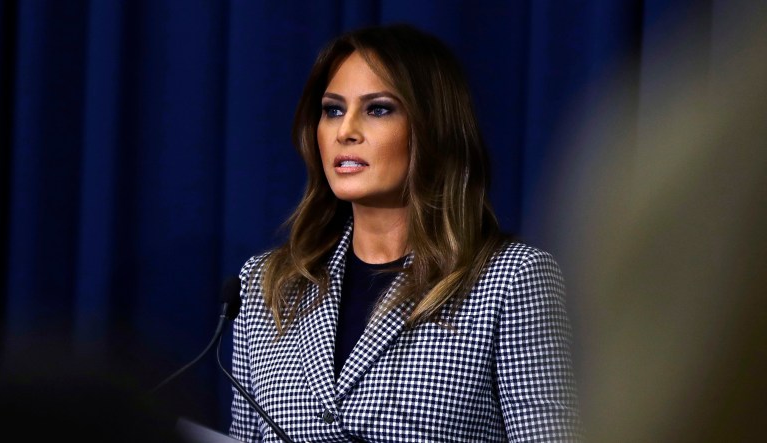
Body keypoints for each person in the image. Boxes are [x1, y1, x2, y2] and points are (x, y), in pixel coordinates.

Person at [228, 23, 582, 442]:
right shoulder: (268, 283)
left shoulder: (511, 279)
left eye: (378, 109)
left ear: (433, 127)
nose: (346, 131)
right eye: (333, 110)